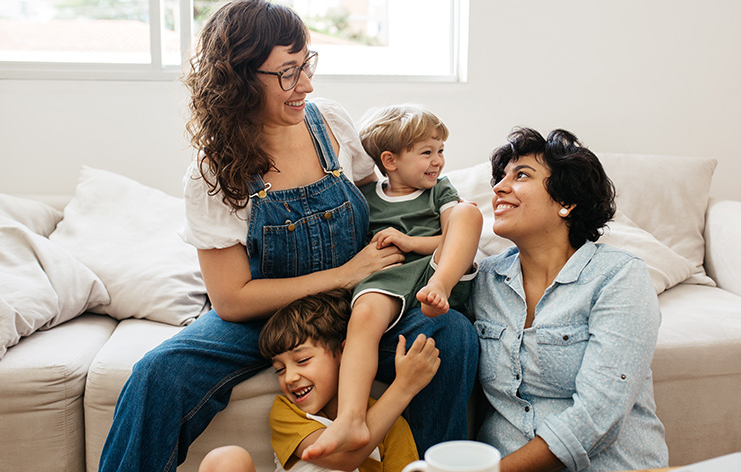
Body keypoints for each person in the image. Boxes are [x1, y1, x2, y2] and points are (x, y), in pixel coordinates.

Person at [97, 2, 478, 470]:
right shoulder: (213, 173)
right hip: (268, 316)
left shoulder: (331, 123)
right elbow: (231, 300)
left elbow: (379, 205)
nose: (306, 85)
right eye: (287, 73)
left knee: (450, 335)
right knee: (159, 373)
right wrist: (341, 274)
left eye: (306, 65)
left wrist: (422, 246)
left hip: (360, 303)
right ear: (239, 80)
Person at [469, 127, 668, 472]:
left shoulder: (619, 276)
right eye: (500, 177)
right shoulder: (485, 279)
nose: (499, 187)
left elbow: (598, 414)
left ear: (566, 202)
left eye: (521, 175)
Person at [306, 104, 483, 459]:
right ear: (389, 160)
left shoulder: (440, 191)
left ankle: (440, 288)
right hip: (389, 276)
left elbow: (453, 237)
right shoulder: (367, 197)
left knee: (468, 212)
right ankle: (351, 418)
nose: (438, 161)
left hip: (436, 272)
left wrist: (411, 242)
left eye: (441, 151)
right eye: (427, 153)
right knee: (364, 316)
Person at [198, 289, 438, 472]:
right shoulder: (288, 412)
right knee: (226, 460)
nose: (290, 377)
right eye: (279, 370)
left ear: (344, 353)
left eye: (302, 360)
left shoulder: (391, 424)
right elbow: (342, 458)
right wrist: (403, 388)